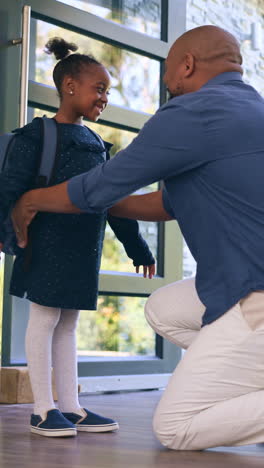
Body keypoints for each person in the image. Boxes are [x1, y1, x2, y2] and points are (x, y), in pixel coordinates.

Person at [11, 24, 264, 450]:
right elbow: (164, 205)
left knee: (175, 428)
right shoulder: (250, 110)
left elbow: (101, 187)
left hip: (253, 293)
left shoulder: (192, 112)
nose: (170, 93)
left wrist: (34, 199)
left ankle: (245, 393)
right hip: (239, 281)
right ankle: (246, 378)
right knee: (164, 308)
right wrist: (82, 199)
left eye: (169, 84)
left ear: (187, 65)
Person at [0, 37, 155, 438]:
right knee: (46, 317)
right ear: (70, 86)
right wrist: (6, 237)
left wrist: (137, 247)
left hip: (83, 249)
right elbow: (10, 190)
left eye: (107, 91)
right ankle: (41, 409)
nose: (104, 98)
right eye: (98, 89)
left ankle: (70, 406)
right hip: (45, 244)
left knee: (68, 324)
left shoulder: (100, 147)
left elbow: (114, 201)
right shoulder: (37, 136)